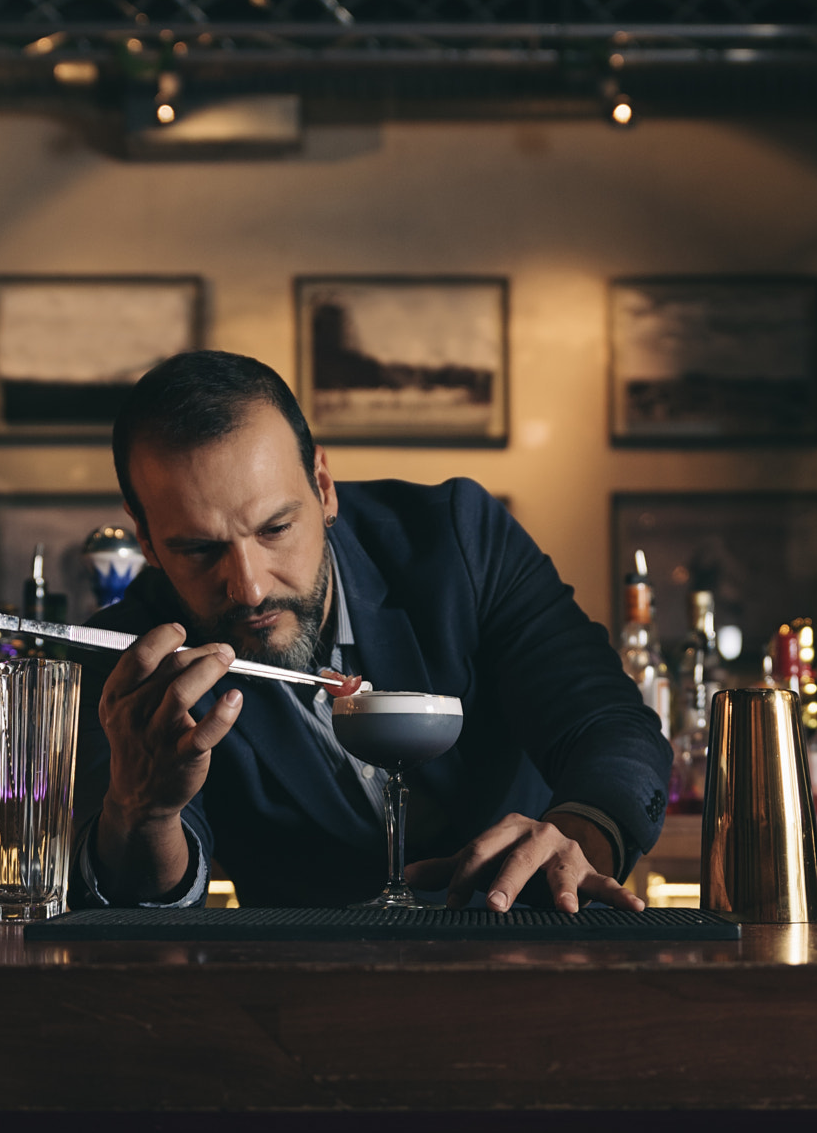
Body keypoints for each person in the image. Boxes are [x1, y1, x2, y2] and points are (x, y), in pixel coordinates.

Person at [71, 350, 669, 911]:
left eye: (275, 528)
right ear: (146, 539)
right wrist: (142, 812)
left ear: (323, 486)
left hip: (528, 943)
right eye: (200, 550)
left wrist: (575, 840)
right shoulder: (131, 658)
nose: (249, 588)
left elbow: (610, 727)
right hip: (307, 989)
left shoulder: (459, 540)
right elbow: (140, 902)